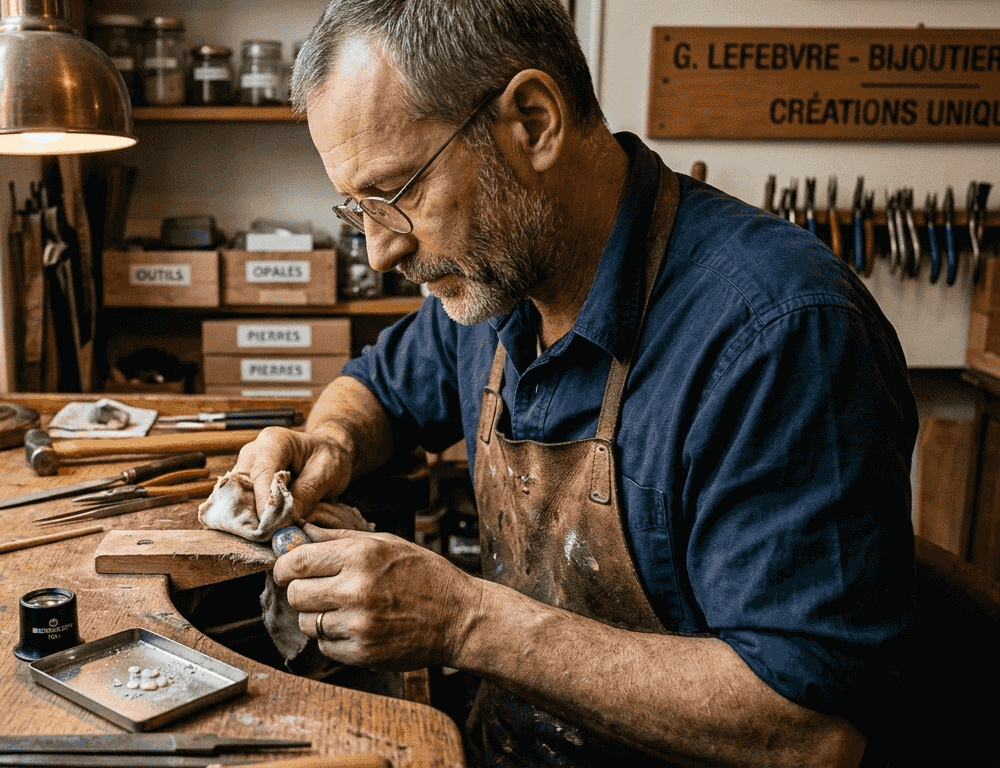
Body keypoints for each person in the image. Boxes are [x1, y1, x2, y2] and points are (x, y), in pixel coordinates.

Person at [232, 1, 918, 765]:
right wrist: (326, 439)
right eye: (356, 207)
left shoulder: (781, 333)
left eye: (396, 192)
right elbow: (379, 388)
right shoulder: (495, 280)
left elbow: (813, 728)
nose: (380, 251)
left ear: (533, 121)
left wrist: (466, 623)